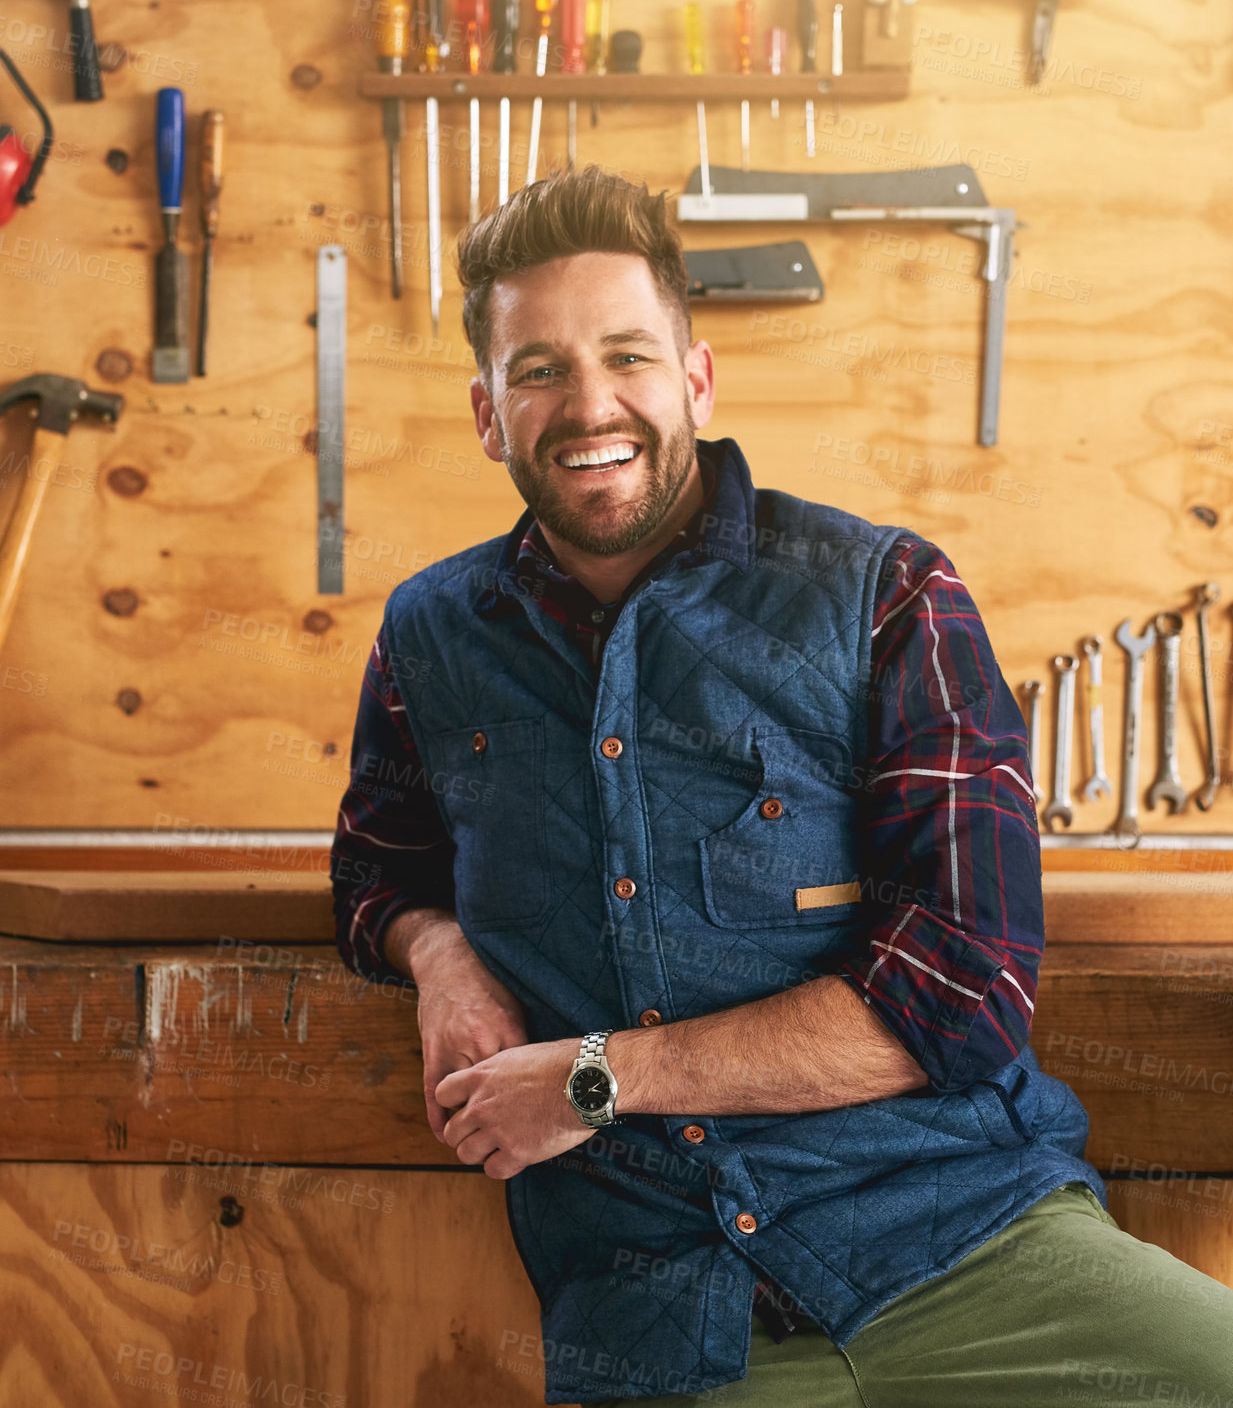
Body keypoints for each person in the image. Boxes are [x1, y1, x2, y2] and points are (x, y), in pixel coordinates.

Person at [330, 167, 1233, 1406]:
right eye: (538, 370)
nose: (590, 402)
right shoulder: (430, 635)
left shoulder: (887, 597)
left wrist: (594, 1075)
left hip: (972, 1244)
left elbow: (962, 993)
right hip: (666, 1315)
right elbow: (376, 869)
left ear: (695, 379)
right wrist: (438, 952)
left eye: (629, 356)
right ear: (488, 413)